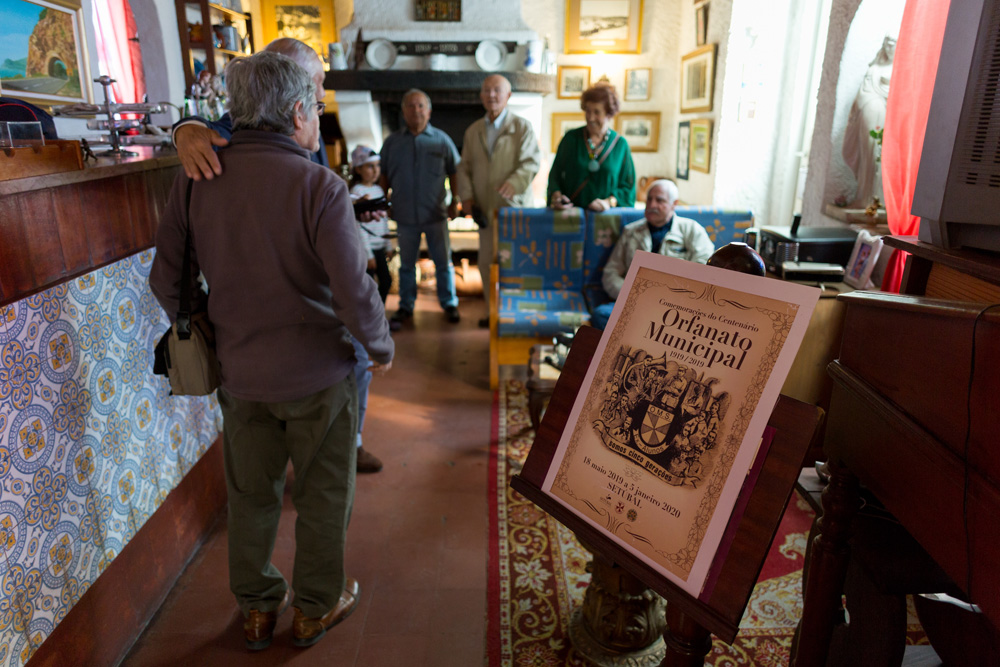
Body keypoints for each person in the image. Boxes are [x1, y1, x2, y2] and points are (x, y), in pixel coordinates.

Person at [150, 51, 393, 651]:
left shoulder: (197, 179)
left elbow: (166, 280)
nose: (318, 120)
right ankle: (315, 606)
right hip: (320, 377)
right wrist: (380, 345)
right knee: (323, 495)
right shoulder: (320, 186)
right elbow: (353, 290)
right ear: (296, 113)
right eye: (317, 108)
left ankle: (257, 608)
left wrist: (214, 324)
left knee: (251, 497)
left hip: (240, 376)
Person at [172, 38, 385, 474]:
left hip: (244, 359)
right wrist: (184, 128)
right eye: (317, 81)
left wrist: (349, 214)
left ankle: (354, 440)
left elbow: (171, 273)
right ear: (284, 79)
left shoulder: (303, 131)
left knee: (253, 491)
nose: (322, 93)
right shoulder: (224, 139)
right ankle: (347, 444)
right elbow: (212, 129)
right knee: (323, 482)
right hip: (305, 345)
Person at [455, 74, 541, 327]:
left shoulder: (522, 127)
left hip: (514, 210)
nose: (491, 95)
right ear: (481, 95)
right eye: (487, 90)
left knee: (515, 263)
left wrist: (514, 183)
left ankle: (514, 314)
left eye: (497, 90)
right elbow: (464, 167)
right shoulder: (473, 131)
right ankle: (491, 313)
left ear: (508, 95)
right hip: (484, 210)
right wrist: (466, 197)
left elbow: (531, 162)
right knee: (486, 264)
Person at [380, 89, 462, 330]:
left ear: (429, 111)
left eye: (420, 106)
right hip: (404, 215)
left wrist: (455, 201)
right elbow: (383, 174)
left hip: (436, 214)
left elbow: (455, 171)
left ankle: (449, 303)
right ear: (403, 111)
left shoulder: (442, 140)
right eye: (411, 106)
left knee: (443, 262)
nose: (416, 110)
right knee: (406, 265)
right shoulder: (392, 142)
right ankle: (406, 305)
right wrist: (384, 203)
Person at [592, 180, 714, 329]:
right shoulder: (631, 231)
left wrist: (675, 298)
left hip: (678, 308)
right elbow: (610, 273)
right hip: (636, 304)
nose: (652, 205)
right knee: (601, 314)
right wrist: (632, 294)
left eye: (659, 200)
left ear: (674, 204)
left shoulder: (692, 230)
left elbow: (706, 271)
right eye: (649, 199)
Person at [548, 83, 636, 211]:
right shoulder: (571, 139)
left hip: (605, 218)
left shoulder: (620, 145)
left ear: (609, 114)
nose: (591, 118)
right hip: (571, 215)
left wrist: (609, 202)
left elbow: (628, 188)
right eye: (588, 111)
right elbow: (554, 176)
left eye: (597, 112)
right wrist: (557, 197)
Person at [843, 35, 895, 208]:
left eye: (893, 44)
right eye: (886, 44)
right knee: (869, 153)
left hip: (887, 117)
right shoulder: (874, 68)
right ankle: (864, 195)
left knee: (881, 157)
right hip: (871, 112)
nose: (889, 48)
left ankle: (876, 198)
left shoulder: (901, 69)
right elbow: (863, 93)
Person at [349, 145, 393, 303]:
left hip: (379, 247)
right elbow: (358, 226)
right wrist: (368, 254)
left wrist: (388, 244)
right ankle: (370, 314)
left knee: (386, 281)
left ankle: (379, 312)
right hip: (366, 250)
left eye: (377, 165)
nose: (375, 171)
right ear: (358, 169)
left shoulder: (379, 190)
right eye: (370, 166)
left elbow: (384, 221)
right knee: (368, 287)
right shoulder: (357, 192)